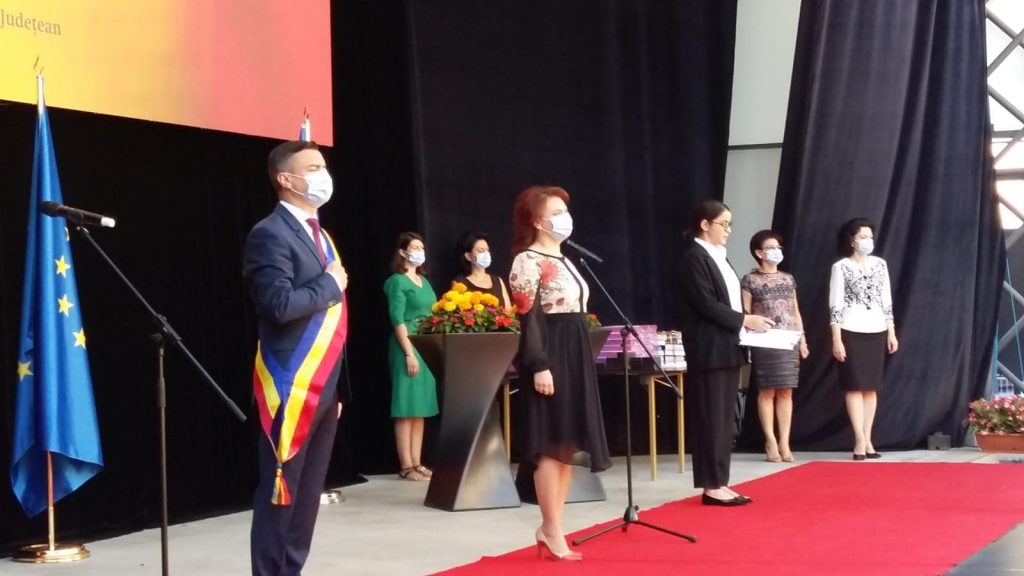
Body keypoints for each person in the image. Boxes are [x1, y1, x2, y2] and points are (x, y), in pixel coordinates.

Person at [244, 140, 348, 576]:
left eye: (323, 166)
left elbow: (335, 321)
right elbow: (279, 305)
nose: (324, 175)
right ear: (286, 179)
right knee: (280, 495)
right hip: (290, 383)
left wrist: (338, 389)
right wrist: (329, 284)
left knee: (306, 499)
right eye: (313, 167)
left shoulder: (320, 234)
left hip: (324, 386)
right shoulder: (269, 233)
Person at [508, 185, 610, 561]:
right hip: (550, 351)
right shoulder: (527, 260)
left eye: (565, 210)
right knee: (551, 444)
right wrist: (538, 364)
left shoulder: (566, 258)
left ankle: (553, 525)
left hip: (574, 349)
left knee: (566, 444)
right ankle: (551, 528)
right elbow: (529, 317)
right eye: (555, 212)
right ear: (537, 221)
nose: (565, 218)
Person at [676, 200, 775, 507]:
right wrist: (745, 320)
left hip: (728, 345)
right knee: (710, 418)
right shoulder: (694, 258)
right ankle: (711, 484)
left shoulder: (719, 256)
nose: (729, 230)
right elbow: (706, 304)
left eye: (730, 224)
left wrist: (745, 325)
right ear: (704, 224)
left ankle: (720, 481)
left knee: (723, 420)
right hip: (709, 348)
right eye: (723, 224)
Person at [829, 218, 898, 460]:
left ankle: (868, 439)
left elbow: (886, 300)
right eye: (863, 237)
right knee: (854, 385)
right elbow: (835, 305)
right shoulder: (841, 267)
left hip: (876, 330)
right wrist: (836, 339)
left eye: (870, 236)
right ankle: (858, 438)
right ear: (852, 240)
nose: (868, 241)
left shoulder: (880, 264)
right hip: (850, 329)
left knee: (871, 387)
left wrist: (891, 331)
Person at [741, 230, 809, 463]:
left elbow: (795, 311)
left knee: (787, 391)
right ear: (759, 252)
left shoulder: (788, 278)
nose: (776, 251)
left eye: (778, 247)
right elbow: (745, 312)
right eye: (771, 247)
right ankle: (770, 440)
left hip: (788, 339)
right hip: (765, 339)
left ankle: (785, 442)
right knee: (767, 391)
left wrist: (802, 339)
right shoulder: (750, 280)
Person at [383, 232, 439, 481]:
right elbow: (397, 319)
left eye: (421, 247)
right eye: (414, 247)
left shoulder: (423, 281)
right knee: (406, 407)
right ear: (403, 252)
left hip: (426, 344)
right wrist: (408, 352)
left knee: (420, 407)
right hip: (407, 343)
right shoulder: (397, 281)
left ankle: (417, 462)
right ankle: (406, 465)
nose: (419, 251)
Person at [451, 230, 511, 309]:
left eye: (487, 250)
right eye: (481, 251)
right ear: (468, 256)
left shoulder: (498, 281)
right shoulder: (459, 283)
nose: (486, 254)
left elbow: (509, 312)